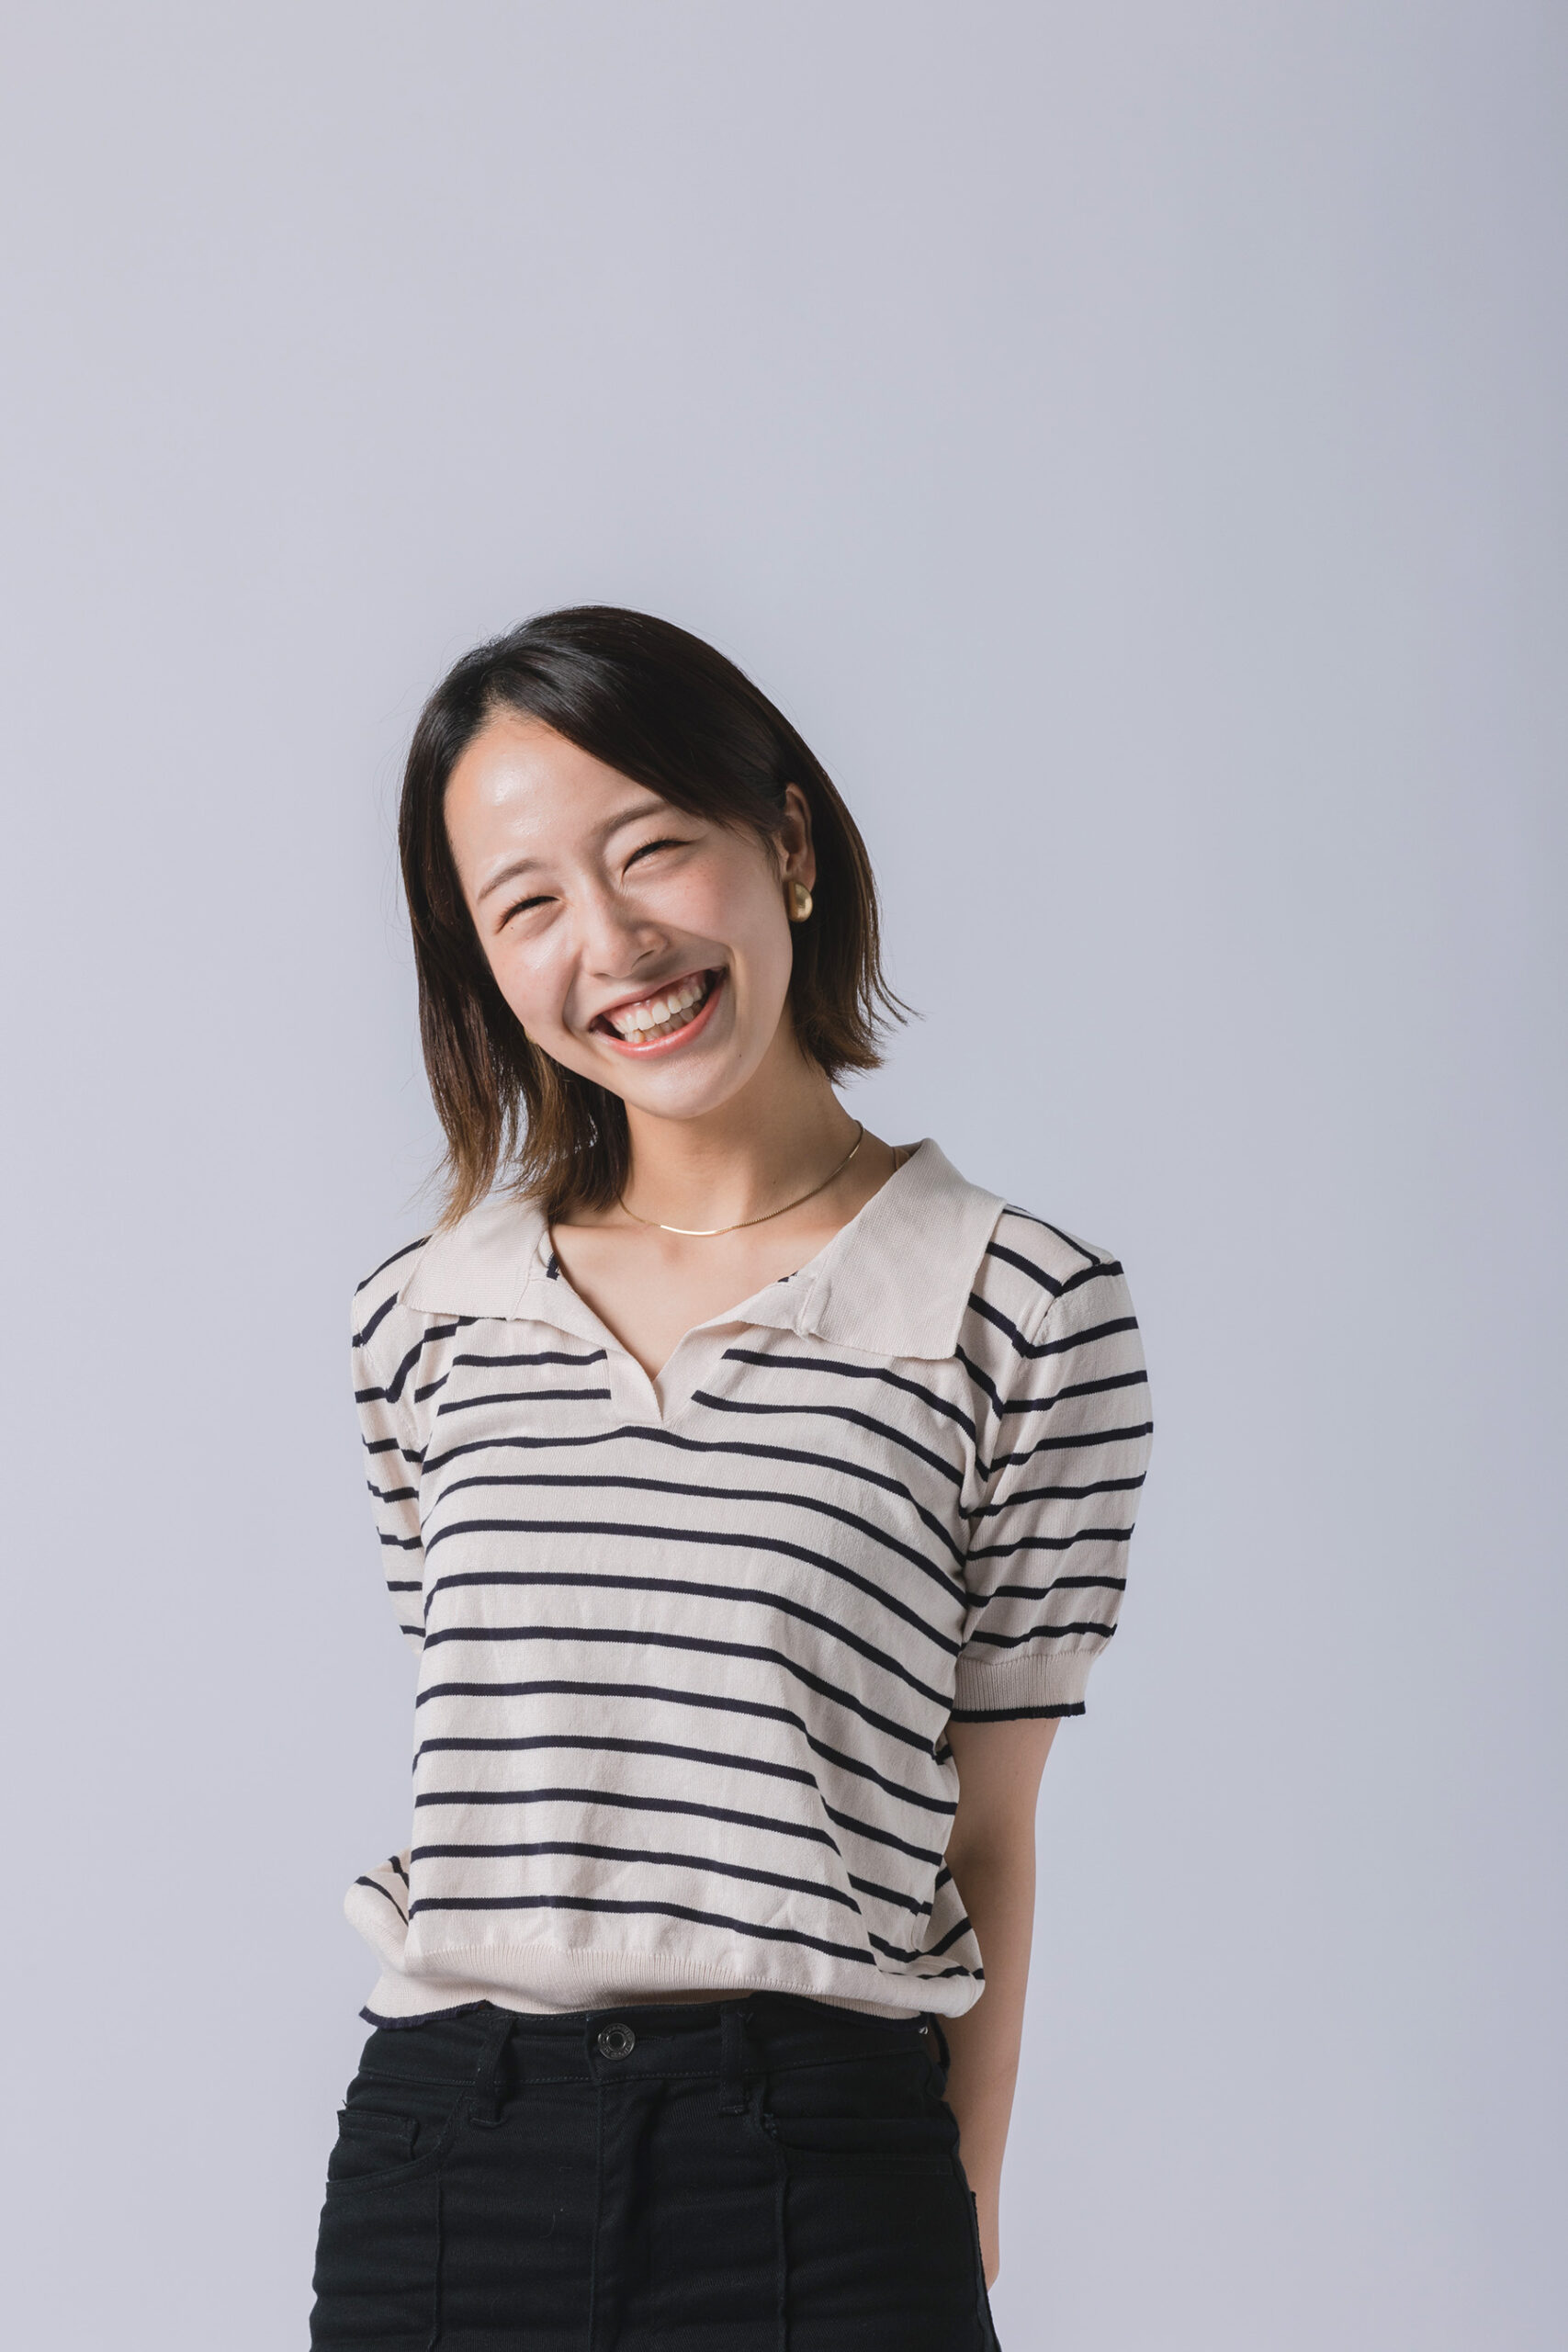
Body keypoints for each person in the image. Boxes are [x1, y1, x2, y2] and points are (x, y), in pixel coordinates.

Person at [307, 605, 1153, 2351]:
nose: (612, 943)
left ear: (788, 842)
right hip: (450, 2160)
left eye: (651, 851)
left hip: (823, 2158)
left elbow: (990, 1830)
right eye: (528, 903)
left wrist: (961, 2204)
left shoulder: (1022, 1307)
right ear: (480, 961)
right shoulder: (426, 1318)